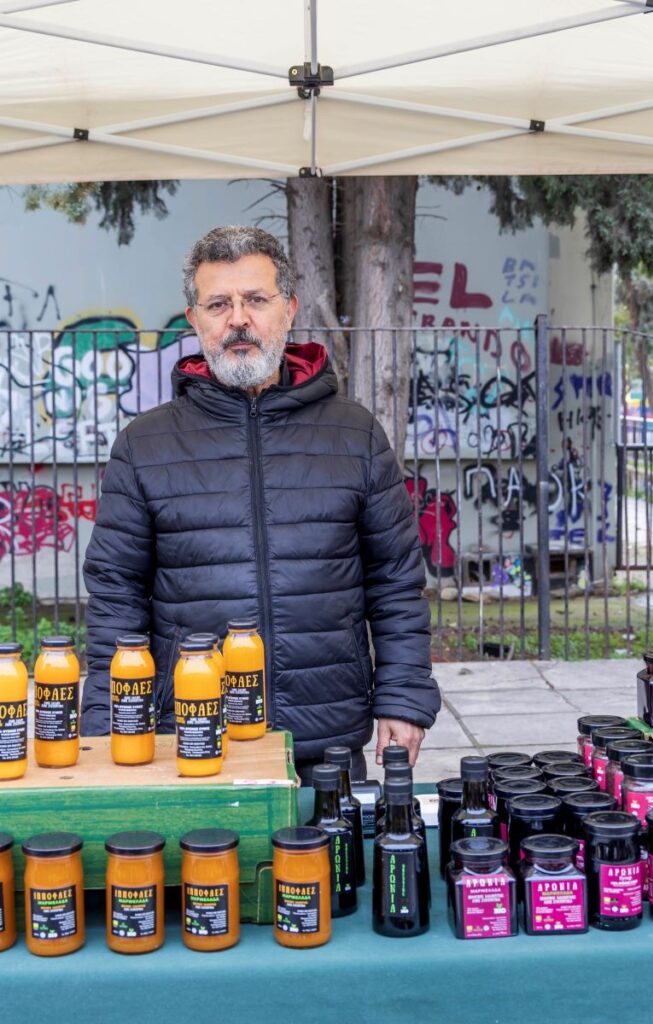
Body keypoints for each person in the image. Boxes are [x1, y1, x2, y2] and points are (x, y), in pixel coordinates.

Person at [81, 225, 440, 779]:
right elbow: (115, 597)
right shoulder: (144, 446)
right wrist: (107, 727)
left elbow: (395, 580)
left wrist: (403, 696)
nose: (238, 319)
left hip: (327, 743)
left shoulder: (355, 434)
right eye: (218, 304)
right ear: (194, 318)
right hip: (194, 742)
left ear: (289, 309)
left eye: (255, 299)